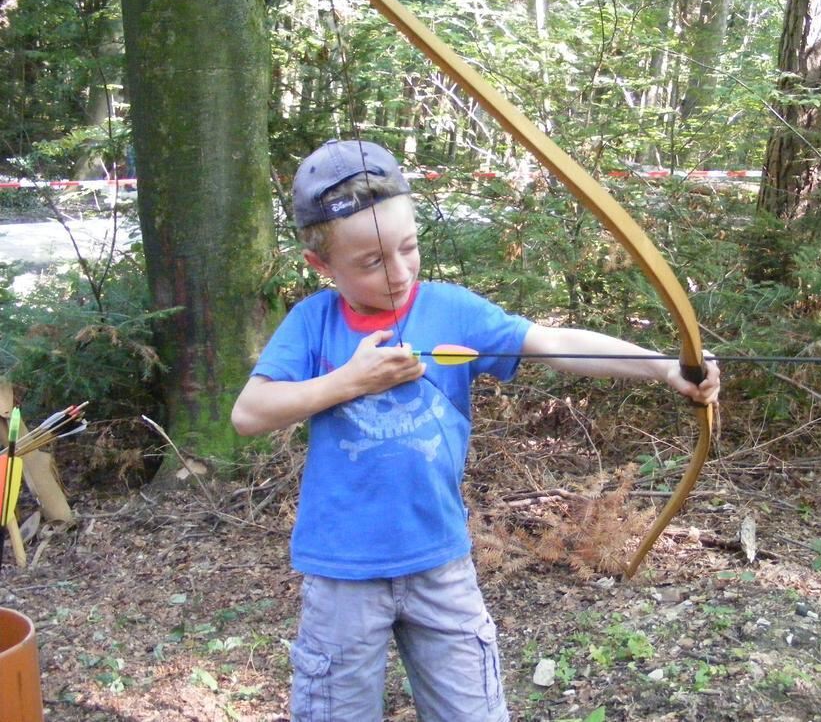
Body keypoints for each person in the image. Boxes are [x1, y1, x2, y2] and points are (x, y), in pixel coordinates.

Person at [231, 139, 720, 721]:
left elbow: (552, 344)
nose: (398, 271)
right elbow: (249, 413)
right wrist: (350, 380)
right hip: (342, 571)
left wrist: (664, 365)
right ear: (322, 265)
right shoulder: (313, 323)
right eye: (370, 262)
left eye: (408, 248)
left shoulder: (450, 310)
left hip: (439, 561)